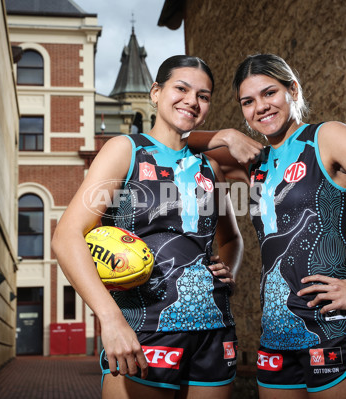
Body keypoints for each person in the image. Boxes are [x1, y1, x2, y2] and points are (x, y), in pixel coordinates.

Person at [192, 54, 346, 398]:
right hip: (276, 336)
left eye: (269, 93)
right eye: (248, 102)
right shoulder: (254, 162)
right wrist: (227, 135)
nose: (260, 107)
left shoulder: (327, 138)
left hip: (334, 329)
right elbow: (177, 141)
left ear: (293, 90)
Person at [51, 55, 243, 399]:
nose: (192, 101)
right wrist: (110, 320)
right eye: (181, 88)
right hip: (144, 327)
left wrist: (230, 268)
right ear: (156, 92)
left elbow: (231, 239)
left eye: (203, 95)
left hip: (215, 330)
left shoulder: (211, 167)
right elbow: (66, 236)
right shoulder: (125, 150)